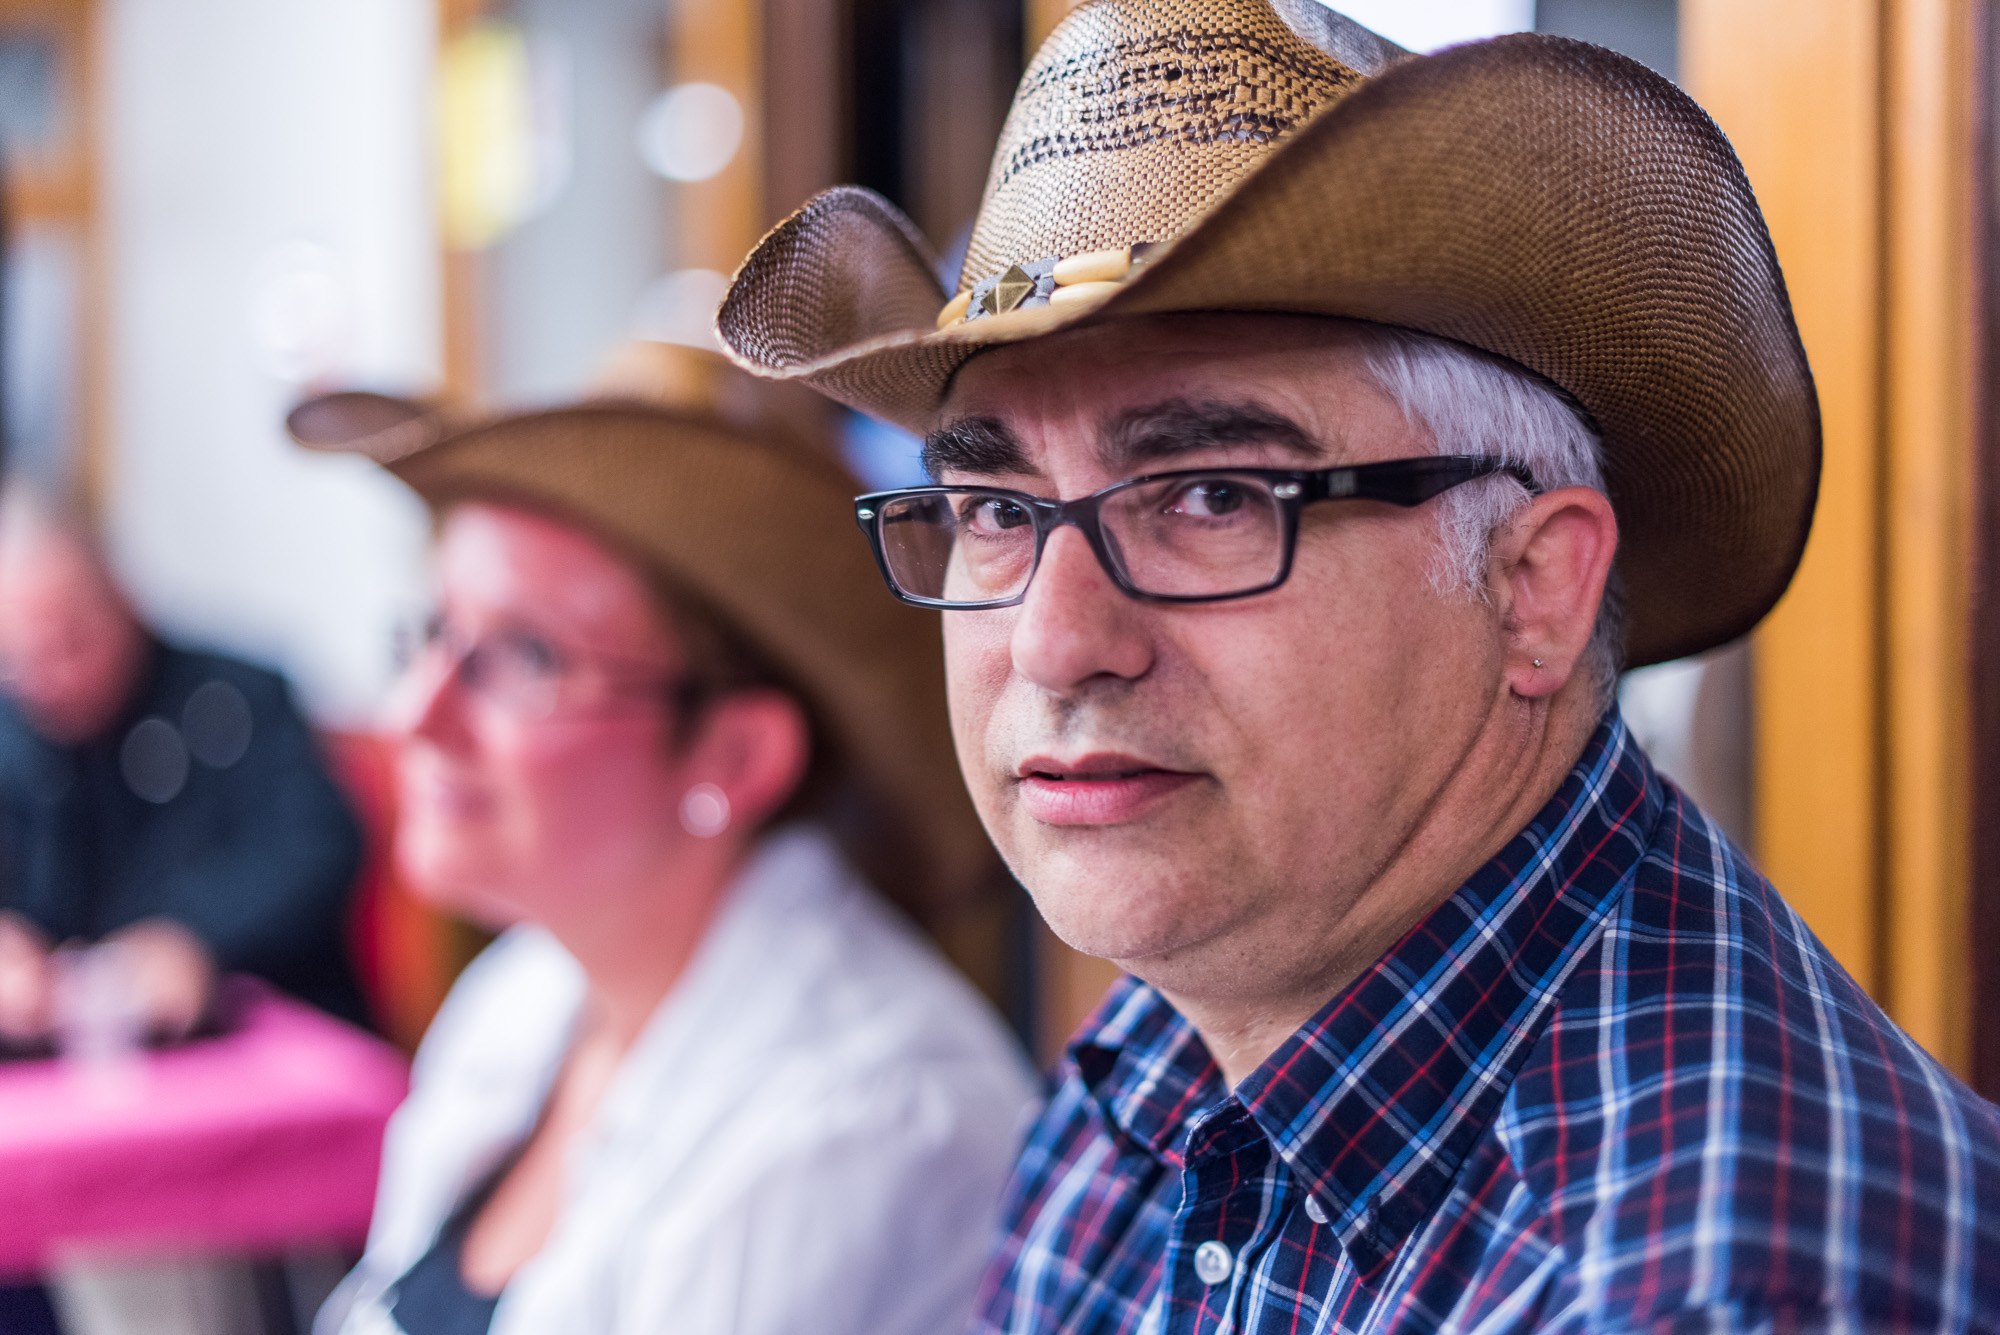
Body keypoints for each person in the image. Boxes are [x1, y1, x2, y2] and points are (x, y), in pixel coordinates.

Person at [717, 0, 2000, 1327]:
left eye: (1212, 495)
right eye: (995, 510)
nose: (1056, 639)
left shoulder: (1716, 1285)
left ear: (1533, 585)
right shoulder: (1185, 1030)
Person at [288, 340, 1037, 1335]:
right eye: (433, 634)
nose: (416, 716)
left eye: (522, 656)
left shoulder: (858, 1120)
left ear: (734, 756)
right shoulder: (526, 996)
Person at [0, 493, 368, 1043]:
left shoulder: (240, 698)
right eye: (24, 659)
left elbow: (319, 845)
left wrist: (196, 940)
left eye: (72, 642)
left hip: (246, 1041)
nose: (55, 676)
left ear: (122, 597)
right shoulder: (12, 729)